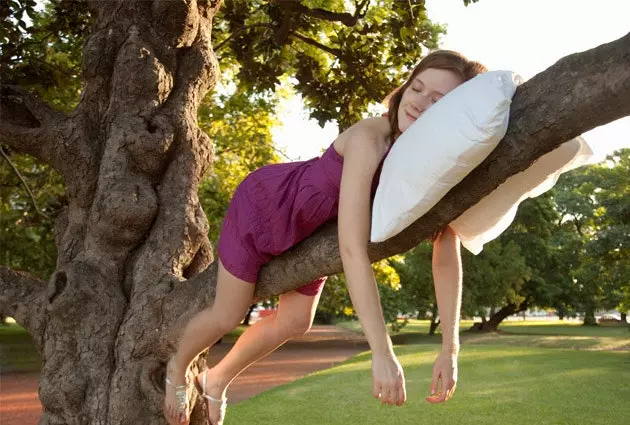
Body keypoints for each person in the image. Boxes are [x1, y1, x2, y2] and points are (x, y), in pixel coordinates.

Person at [163, 50, 487, 425]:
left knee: (296, 322)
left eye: (438, 100)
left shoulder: (433, 165)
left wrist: (451, 348)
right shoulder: (371, 137)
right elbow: (352, 248)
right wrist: (381, 351)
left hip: (313, 234)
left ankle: (215, 379)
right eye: (417, 88)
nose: (419, 103)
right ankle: (178, 367)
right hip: (267, 207)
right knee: (228, 313)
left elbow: (446, 246)